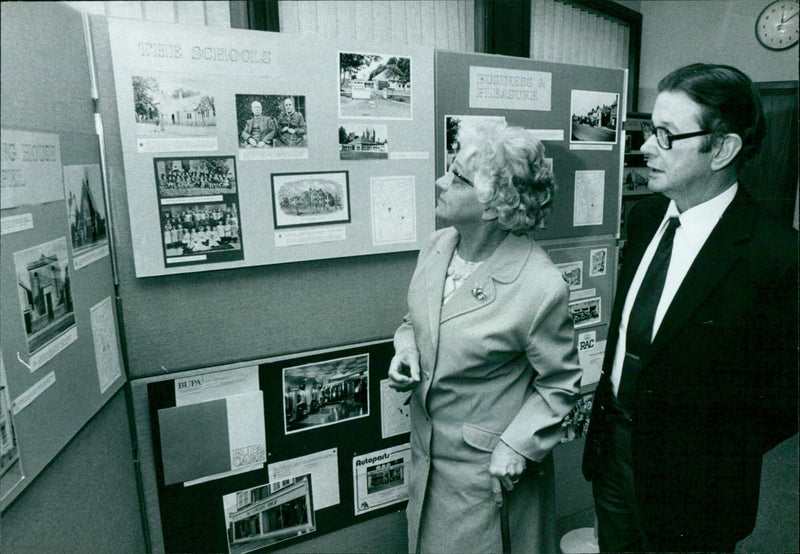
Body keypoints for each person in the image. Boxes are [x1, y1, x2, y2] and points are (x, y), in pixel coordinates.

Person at [582, 63, 798, 552]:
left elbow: (784, 400)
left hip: (696, 485)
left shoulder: (777, 256)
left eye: (666, 135)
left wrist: (700, 448)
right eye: (649, 130)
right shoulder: (644, 218)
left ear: (721, 148)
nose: (645, 147)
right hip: (613, 451)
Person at [389, 120, 582, 553]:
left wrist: (517, 445)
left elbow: (560, 384)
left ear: (495, 204)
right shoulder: (438, 246)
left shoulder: (539, 285)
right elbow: (415, 323)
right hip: (427, 465)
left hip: (487, 480)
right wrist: (406, 349)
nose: (441, 181)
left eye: (456, 176)